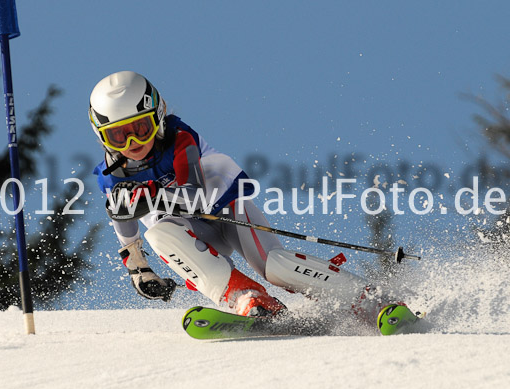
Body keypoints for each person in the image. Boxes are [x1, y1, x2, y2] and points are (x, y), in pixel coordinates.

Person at [89, 71, 398, 322]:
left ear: (157, 114)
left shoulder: (179, 139)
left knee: (274, 265)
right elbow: (121, 217)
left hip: (226, 211)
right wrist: (137, 267)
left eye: (141, 128)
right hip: (190, 234)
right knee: (158, 234)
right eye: (118, 135)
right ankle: (248, 297)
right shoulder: (111, 174)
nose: (132, 142)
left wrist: (152, 192)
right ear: (103, 136)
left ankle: (365, 297)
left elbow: (197, 196)